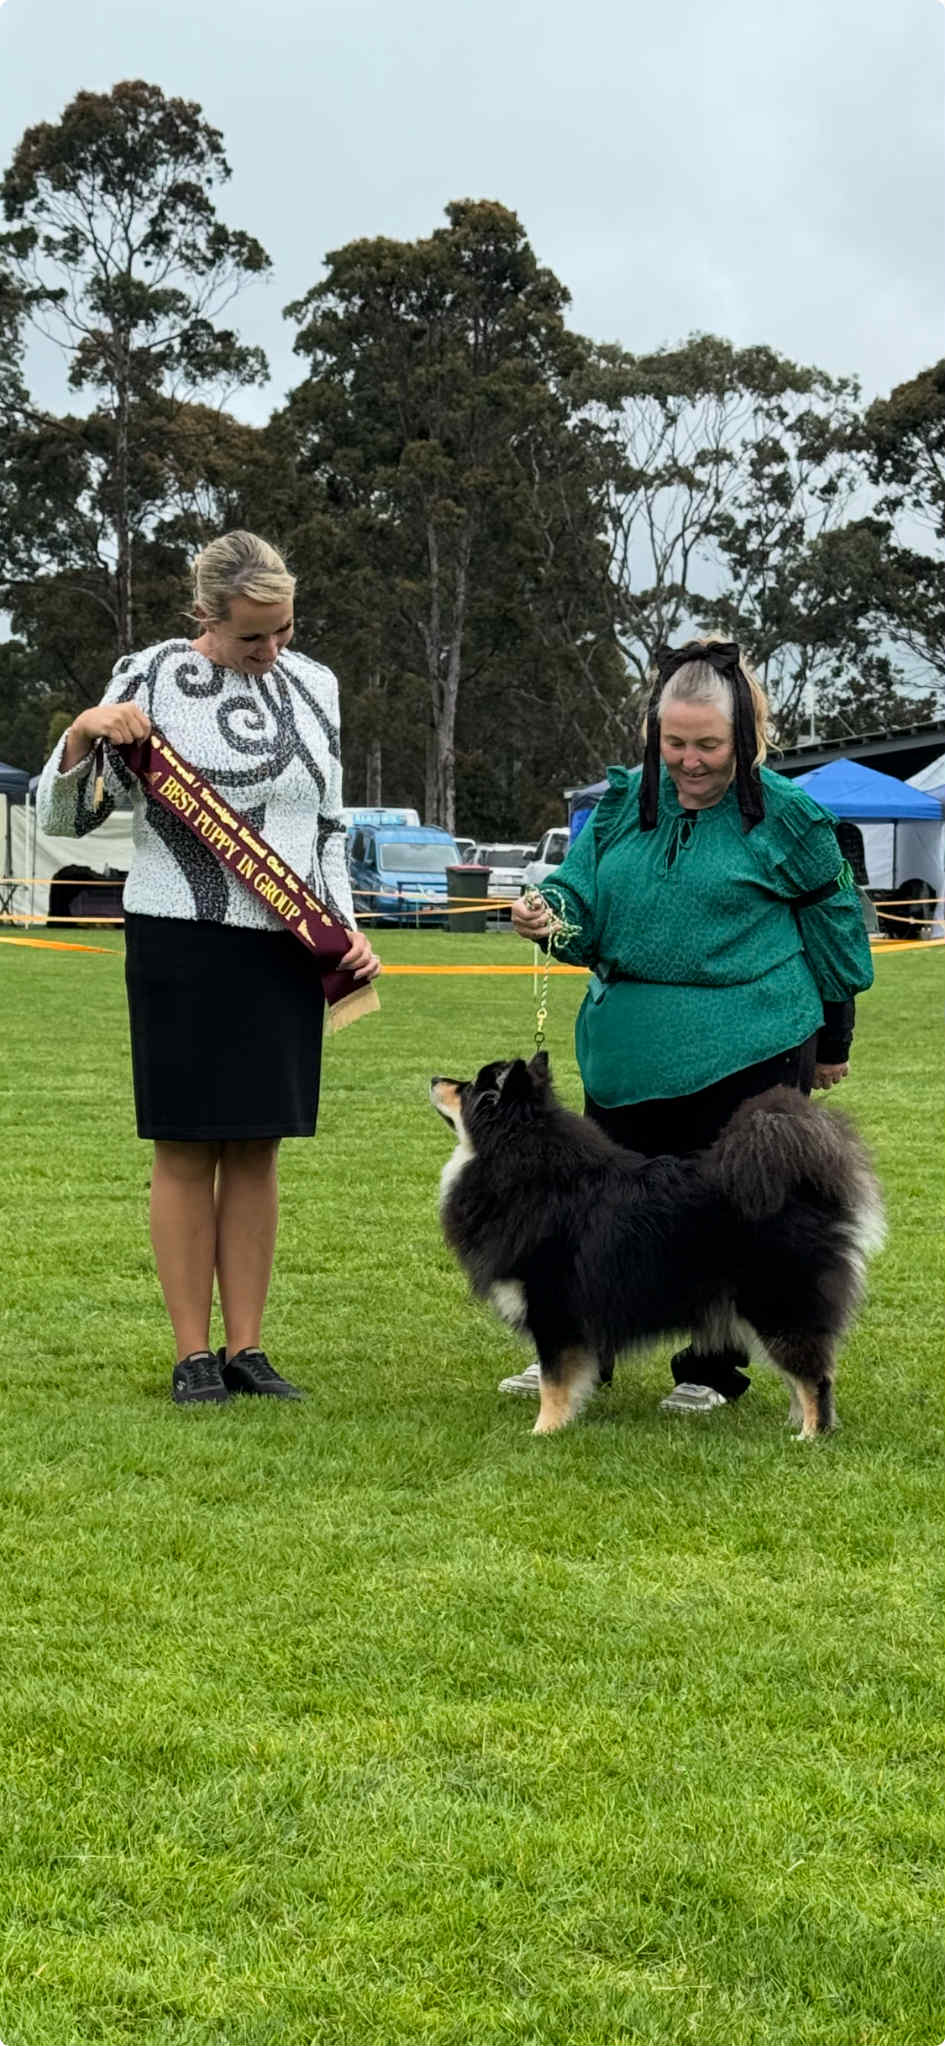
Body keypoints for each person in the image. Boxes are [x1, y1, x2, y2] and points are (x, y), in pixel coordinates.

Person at [36, 530, 380, 1406]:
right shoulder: (148, 676)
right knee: (187, 1147)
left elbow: (326, 826)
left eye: (283, 629)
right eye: (251, 635)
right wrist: (82, 732)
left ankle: (247, 1349)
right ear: (206, 616)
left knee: (258, 1147)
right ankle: (192, 1354)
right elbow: (64, 822)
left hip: (288, 945)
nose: (271, 650)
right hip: (181, 940)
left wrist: (342, 927)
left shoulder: (317, 685)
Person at [505, 638, 874, 1415]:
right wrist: (548, 912)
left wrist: (834, 1039)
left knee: (732, 1214)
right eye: (674, 743)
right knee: (600, 1215)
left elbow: (834, 930)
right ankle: (578, 1347)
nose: (689, 761)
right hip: (625, 1050)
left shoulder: (789, 818)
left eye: (707, 745)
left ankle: (710, 1367)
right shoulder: (622, 804)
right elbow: (578, 892)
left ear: (744, 736)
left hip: (750, 1044)